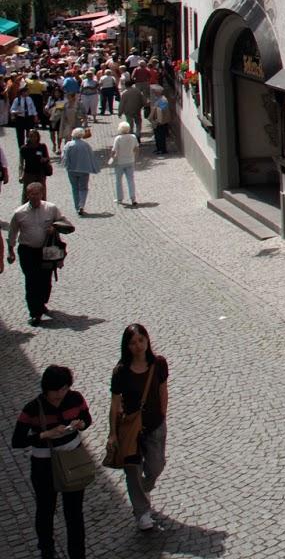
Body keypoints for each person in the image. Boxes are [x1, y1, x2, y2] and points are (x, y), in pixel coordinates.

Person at [10, 364, 92, 559]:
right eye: (56, 390)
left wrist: (81, 424)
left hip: (72, 461)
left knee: (74, 513)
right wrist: (45, 434)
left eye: (64, 389)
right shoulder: (32, 408)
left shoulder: (75, 398)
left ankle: (77, 554)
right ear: (46, 388)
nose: (60, 394)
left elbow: (86, 418)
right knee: (46, 510)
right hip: (44, 466)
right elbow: (17, 440)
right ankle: (47, 550)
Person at [109, 324, 169, 532]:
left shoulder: (158, 364)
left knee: (156, 466)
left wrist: (162, 416)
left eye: (141, 340)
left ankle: (144, 491)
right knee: (133, 471)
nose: (138, 346)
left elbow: (163, 391)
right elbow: (115, 403)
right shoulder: (121, 372)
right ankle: (142, 512)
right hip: (130, 428)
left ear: (147, 340)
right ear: (126, 346)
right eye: (133, 343)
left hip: (154, 425)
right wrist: (112, 433)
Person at [6, 183, 71, 325]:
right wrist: (10, 251)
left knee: (45, 281)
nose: (34, 197)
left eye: (37, 194)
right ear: (27, 195)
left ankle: (41, 303)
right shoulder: (19, 213)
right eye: (31, 194)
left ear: (42, 194)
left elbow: (66, 224)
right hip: (27, 251)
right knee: (31, 281)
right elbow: (12, 233)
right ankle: (35, 313)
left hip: (46, 250)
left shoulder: (51, 208)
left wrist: (54, 228)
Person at [62, 129, 101, 215]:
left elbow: (64, 157)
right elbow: (91, 157)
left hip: (72, 170)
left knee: (75, 188)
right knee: (83, 188)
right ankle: (81, 205)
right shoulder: (86, 145)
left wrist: (66, 166)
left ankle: (77, 206)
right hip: (84, 170)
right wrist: (94, 168)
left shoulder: (68, 145)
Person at [110, 121, 139, 207]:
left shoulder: (118, 138)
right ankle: (133, 198)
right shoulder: (133, 137)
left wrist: (111, 159)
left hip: (120, 162)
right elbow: (136, 148)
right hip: (130, 160)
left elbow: (113, 150)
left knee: (118, 180)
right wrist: (135, 158)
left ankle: (120, 198)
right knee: (131, 180)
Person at [19, 129, 53, 202]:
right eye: (31, 136)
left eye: (35, 136)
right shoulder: (24, 148)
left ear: (38, 137)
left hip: (40, 173)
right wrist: (20, 175)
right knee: (27, 192)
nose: (33, 138)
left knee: (41, 192)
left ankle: (42, 208)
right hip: (29, 173)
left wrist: (44, 160)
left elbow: (47, 158)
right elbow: (21, 163)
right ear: (28, 137)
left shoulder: (42, 146)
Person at [148, 86, 172, 155]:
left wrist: (155, 109)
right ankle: (159, 148)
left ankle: (162, 149)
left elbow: (162, 110)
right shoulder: (158, 99)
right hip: (157, 120)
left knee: (161, 135)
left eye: (155, 92)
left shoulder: (163, 100)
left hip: (161, 121)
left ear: (159, 92)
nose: (154, 93)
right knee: (157, 135)